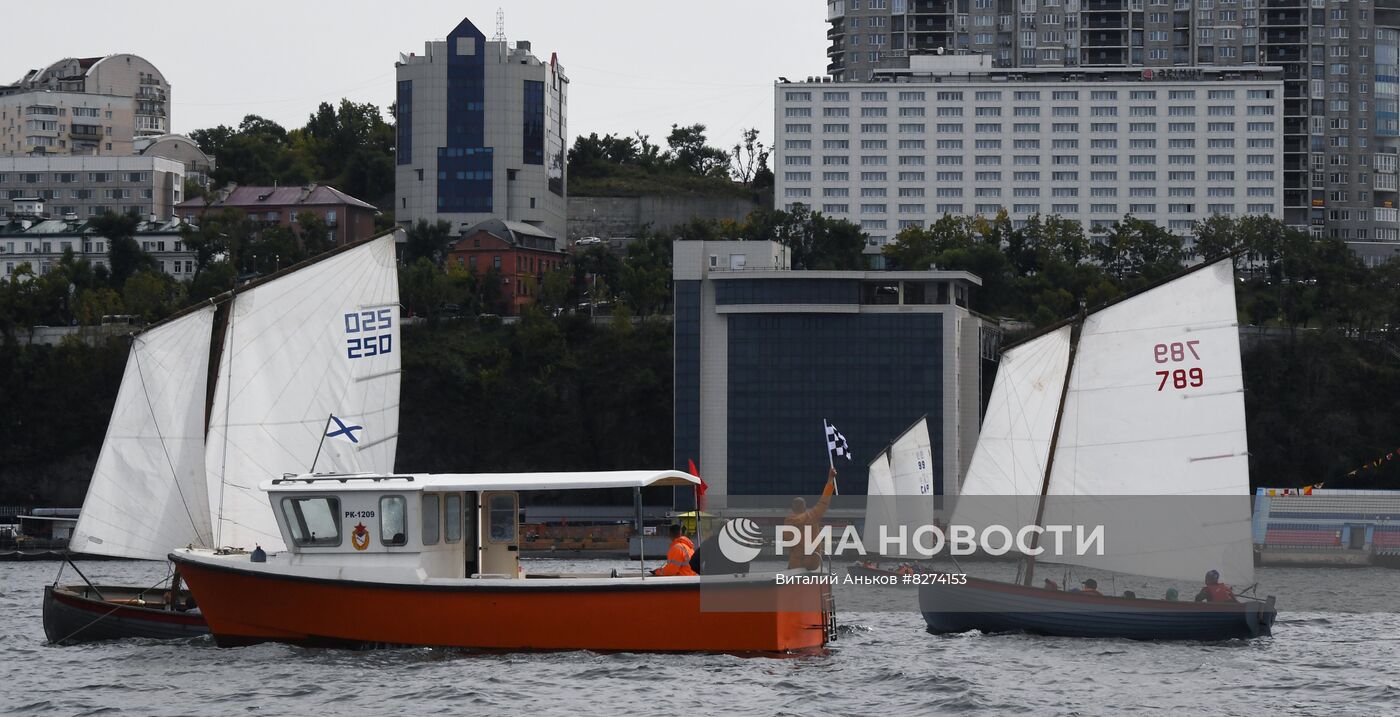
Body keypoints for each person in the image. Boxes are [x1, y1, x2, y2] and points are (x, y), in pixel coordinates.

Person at [785, 466, 837, 570]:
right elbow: (824, 501)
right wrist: (830, 479)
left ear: (792, 508)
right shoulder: (812, 517)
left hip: (794, 563)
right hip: (812, 563)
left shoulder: (788, 522)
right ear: (804, 507)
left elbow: (787, 541)